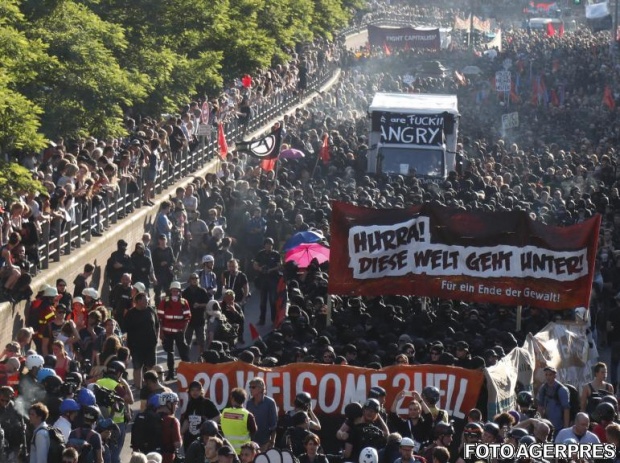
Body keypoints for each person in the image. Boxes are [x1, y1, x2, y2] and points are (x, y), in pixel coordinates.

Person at [157, 281, 191, 380]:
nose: (175, 293)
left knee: (183, 353)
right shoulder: (165, 301)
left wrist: (183, 332)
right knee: (170, 353)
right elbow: (160, 318)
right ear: (170, 291)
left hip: (179, 332)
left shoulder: (184, 302)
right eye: (173, 291)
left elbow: (187, 318)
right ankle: (171, 373)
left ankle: (188, 372)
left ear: (180, 292)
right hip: (167, 332)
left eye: (177, 291)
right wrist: (161, 332)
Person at [125, 292, 159, 389]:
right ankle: (138, 387)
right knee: (137, 367)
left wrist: (156, 337)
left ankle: (151, 386)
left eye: (147, 300)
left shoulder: (151, 310)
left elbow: (157, 325)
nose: (147, 301)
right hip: (136, 346)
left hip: (150, 345)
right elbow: (126, 329)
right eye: (144, 300)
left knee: (151, 367)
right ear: (138, 301)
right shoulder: (130, 314)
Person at [180, 381, 221, 451]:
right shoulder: (190, 403)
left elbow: (218, 416)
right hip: (190, 439)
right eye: (192, 390)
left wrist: (208, 425)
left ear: (201, 391)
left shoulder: (207, 403)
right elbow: (187, 420)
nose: (195, 392)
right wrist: (180, 433)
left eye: (197, 390)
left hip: (204, 440)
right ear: (189, 391)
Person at [252, 238, 281, 325]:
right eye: (267, 244)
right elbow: (255, 264)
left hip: (273, 279)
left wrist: (271, 270)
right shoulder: (260, 253)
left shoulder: (276, 254)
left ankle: (274, 319)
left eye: (270, 244)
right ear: (264, 245)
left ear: (272, 245)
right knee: (262, 302)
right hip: (263, 279)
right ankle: (262, 319)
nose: (268, 246)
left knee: (273, 301)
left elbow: (279, 266)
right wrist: (260, 268)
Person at [245, 377, 278, 452]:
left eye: (253, 387)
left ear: (260, 389)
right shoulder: (249, 403)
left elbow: (273, 425)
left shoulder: (270, 403)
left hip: (265, 443)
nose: (250, 389)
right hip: (252, 443)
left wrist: (272, 442)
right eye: (250, 387)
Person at [221, 387, 257, 454]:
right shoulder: (248, 415)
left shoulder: (224, 412)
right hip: (243, 453)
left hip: (227, 452)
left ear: (233, 399)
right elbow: (254, 431)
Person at [182, 273, 210, 359]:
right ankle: (186, 358)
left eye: (196, 278)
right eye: (193, 278)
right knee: (187, 340)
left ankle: (201, 358)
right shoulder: (185, 292)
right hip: (188, 321)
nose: (194, 280)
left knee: (201, 340)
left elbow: (208, 304)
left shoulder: (202, 291)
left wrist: (199, 305)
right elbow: (181, 305)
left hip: (200, 320)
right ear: (189, 280)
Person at [536, 366, 570, 434]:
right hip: (547, 426)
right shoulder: (543, 388)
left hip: (559, 426)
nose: (548, 377)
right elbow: (540, 407)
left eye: (550, 375)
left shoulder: (562, 390)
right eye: (546, 375)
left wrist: (566, 428)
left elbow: (566, 410)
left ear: (555, 375)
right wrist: (540, 423)